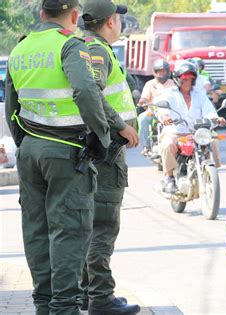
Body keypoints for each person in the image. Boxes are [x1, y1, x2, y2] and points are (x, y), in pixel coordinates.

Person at [5, 0, 111, 313]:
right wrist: (101, 136)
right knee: (69, 231)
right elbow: (86, 91)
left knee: (36, 229)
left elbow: (11, 104)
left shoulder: (20, 49)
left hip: (30, 151)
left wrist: (23, 143)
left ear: (41, 13)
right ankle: (64, 308)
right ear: (75, 15)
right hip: (65, 152)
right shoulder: (69, 45)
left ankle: (42, 305)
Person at [80, 0, 140, 314]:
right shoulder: (98, 50)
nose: (120, 22)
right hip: (106, 152)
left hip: (98, 150)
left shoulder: (87, 47)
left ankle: (88, 294)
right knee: (102, 226)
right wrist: (122, 127)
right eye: (117, 17)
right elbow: (92, 92)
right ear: (109, 22)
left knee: (91, 225)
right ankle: (101, 298)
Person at [158, 62, 226, 192]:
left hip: (197, 131)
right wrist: (165, 117)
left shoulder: (199, 93)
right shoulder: (169, 93)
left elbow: (209, 110)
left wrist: (217, 118)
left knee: (213, 140)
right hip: (175, 131)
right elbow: (162, 110)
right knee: (167, 144)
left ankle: (210, 170)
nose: (187, 82)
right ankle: (170, 177)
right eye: (184, 79)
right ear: (178, 79)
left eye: (190, 79)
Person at [137, 59, 174, 155]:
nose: (161, 73)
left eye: (163, 71)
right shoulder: (150, 84)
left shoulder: (173, 84)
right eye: (159, 71)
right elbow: (144, 97)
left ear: (167, 71)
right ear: (155, 72)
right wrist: (142, 101)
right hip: (153, 111)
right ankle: (146, 146)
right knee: (142, 118)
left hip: (171, 112)